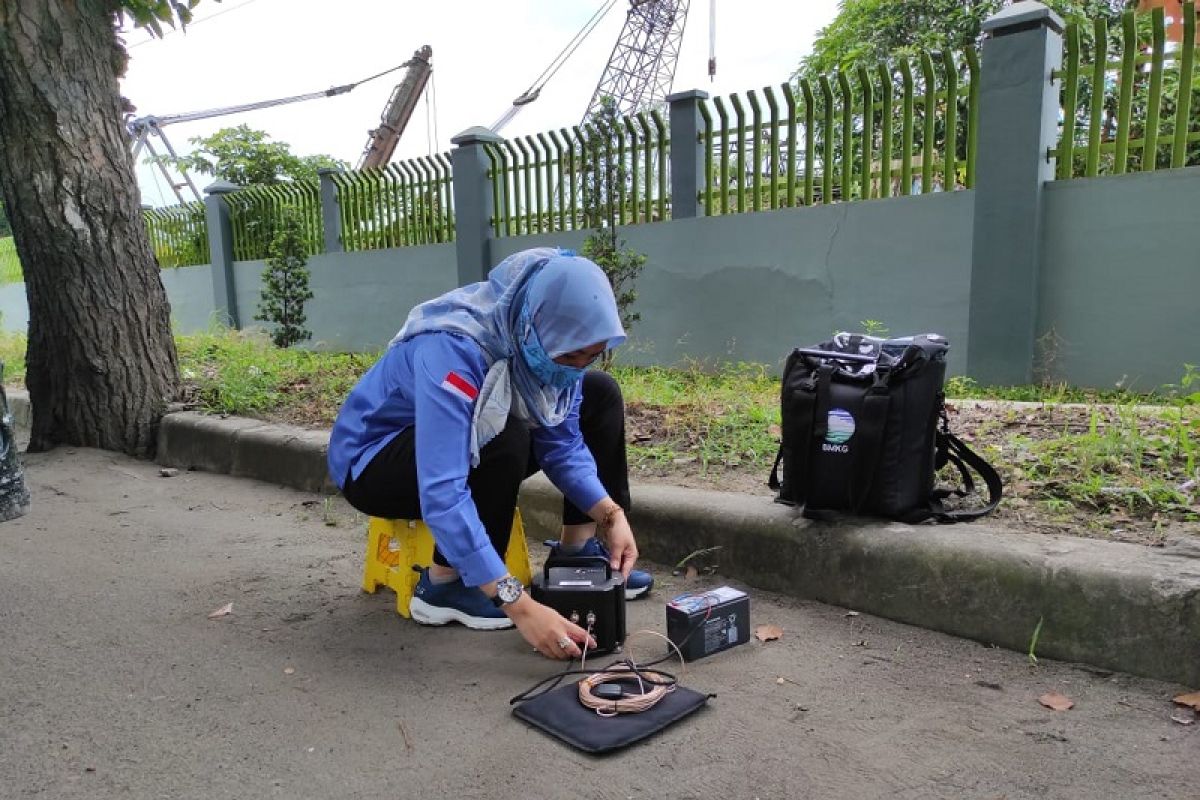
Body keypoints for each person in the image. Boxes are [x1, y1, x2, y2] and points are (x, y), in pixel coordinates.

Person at [327, 247, 652, 661]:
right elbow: (442, 493)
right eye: (569, 356)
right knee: (503, 430)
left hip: (454, 446)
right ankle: (446, 584)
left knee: (598, 392)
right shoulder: (453, 351)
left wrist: (611, 515)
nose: (573, 368)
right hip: (374, 462)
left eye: (590, 354)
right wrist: (519, 605)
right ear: (532, 325)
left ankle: (576, 553)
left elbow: (563, 444)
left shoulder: (537, 344)